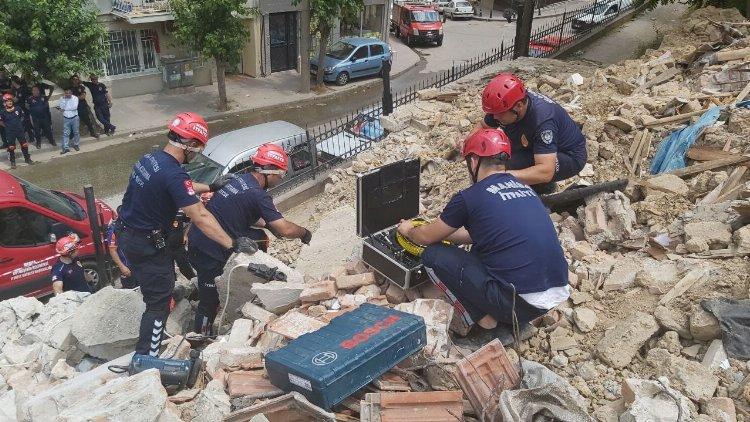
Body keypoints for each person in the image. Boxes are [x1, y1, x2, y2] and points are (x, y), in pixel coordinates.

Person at [397, 129, 569, 343]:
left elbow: (423, 238)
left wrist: (408, 229)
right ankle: (504, 310)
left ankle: (485, 322)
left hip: (518, 304)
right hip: (551, 297)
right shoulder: (523, 188)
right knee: (481, 248)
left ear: (474, 161)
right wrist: (445, 234)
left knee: (433, 256)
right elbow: (486, 233)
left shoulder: (469, 197)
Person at [117, 111, 258, 357]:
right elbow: (200, 216)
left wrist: (212, 186)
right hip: (147, 245)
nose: (196, 154)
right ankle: (145, 360)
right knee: (158, 304)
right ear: (189, 144)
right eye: (197, 149)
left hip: (130, 236)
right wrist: (231, 243)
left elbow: (184, 187)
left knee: (160, 291)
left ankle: (149, 351)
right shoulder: (173, 173)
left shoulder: (150, 159)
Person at [187, 143, 312, 336]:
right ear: (269, 172)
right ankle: (200, 338)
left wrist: (268, 225)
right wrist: (304, 232)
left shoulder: (241, 180)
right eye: (280, 174)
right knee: (209, 300)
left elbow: (242, 211)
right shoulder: (258, 194)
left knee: (259, 238)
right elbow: (285, 228)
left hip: (201, 239)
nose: (281, 178)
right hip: (208, 248)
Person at [478, 73, 587, 194]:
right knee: (494, 159)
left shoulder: (542, 122)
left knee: (506, 168)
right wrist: (468, 144)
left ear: (518, 106)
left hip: (569, 155)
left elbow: (546, 171)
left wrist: (501, 176)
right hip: (533, 143)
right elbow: (483, 127)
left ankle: (541, 189)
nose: (494, 117)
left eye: (499, 114)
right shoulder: (507, 105)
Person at [0, 93, 34, 168]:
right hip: (10, 132)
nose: (10, 102)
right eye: (8, 101)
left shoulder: (18, 108)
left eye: (11, 101)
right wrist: (8, 127)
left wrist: (19, 125)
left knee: (24, 145)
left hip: (19, 130)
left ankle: (27, 159)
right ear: (4, 102)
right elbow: (1, 122)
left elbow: (22, 118)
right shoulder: (2, 112)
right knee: (11, 147)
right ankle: (13, 162)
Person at [105, 220, 138, 288]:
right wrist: (122, 267)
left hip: (138, 263)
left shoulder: (134, 223)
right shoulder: (114, 230)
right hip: (127, 265)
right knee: (130, 290)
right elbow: (112, 250)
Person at [10, 76, 35, 144]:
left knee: (25, 123)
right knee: (26, 123)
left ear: (13, 82)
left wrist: (9, 97)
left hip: (23, 109)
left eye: (12, 82)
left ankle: (31, 136)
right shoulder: (15, 90)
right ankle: (31, 135)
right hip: (20, 109)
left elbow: (16, 99)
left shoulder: (21, 90)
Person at [57, 88, 80, 154]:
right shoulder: (62, 98)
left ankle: (76, 144)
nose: (67, 94)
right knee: (65, 133)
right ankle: (66, 147)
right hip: (66, 118)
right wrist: (64, 100)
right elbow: (61, 107)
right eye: (66, 93)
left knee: (76, 132)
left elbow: (74, 107)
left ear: (71, 93)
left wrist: (65, 109)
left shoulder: (75, 98)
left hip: (74, 117)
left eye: (69, 93)